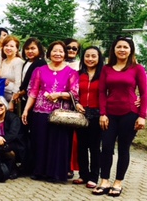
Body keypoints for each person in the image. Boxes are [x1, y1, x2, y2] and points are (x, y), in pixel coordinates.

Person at [94, 37, 147, 196]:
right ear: (114, 49)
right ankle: (104, 180)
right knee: (107, 147)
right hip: (109, 114)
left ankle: (118, 182)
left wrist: (142, 116)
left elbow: (144, 93)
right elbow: (102, 92)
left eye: (125, 47)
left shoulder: (137, 68)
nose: (122, 49)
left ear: (130, 50)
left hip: (130, 114)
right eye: (119, 47)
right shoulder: (106, 69)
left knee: (124, 149)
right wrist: (103, 113)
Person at [21, 41, 79, 183]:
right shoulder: (39, 70)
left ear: (65, 54)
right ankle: (39, 171)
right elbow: (33, 92)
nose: (57, 54)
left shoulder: (72, 72)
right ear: (49, 53)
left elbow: (75, 93)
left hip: (61, 115)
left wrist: (59, 94)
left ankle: (56, 174)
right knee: (40, 142)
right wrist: (26, 110)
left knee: (58, 144)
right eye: (54, 51)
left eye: (60, 51)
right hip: (40, 112)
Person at [73, 46, 103, 189]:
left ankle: (94, 176)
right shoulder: (78, 74)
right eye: (87, 56)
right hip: (81, 114)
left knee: (95, 147)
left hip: (98, 114)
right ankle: (83, 174)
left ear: (99, 58)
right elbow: (73, 93)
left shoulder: (104, 75)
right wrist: (77, 103)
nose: (90, 59)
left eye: (93, 56)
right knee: (81, 146)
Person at [0, 36, 24, 102]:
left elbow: (18, 83)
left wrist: (12, 100)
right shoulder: (3, 61)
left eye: (12, 46)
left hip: (12, 95)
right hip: (2, 94)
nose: (8, 48)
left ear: (17, 49)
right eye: (6, 45)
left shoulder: (18, 62)